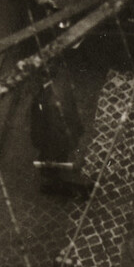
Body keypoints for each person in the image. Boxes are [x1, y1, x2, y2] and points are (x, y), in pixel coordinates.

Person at [29, 66, 94, 200]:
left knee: (52, 161)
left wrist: (38, 141)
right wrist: (76, 129)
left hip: (54, 139)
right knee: (56, 160)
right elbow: (70, 109)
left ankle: (53, 183)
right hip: (61, 137)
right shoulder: (59, 88)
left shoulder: (42, 99)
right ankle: (55, 183)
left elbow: (40, 125)